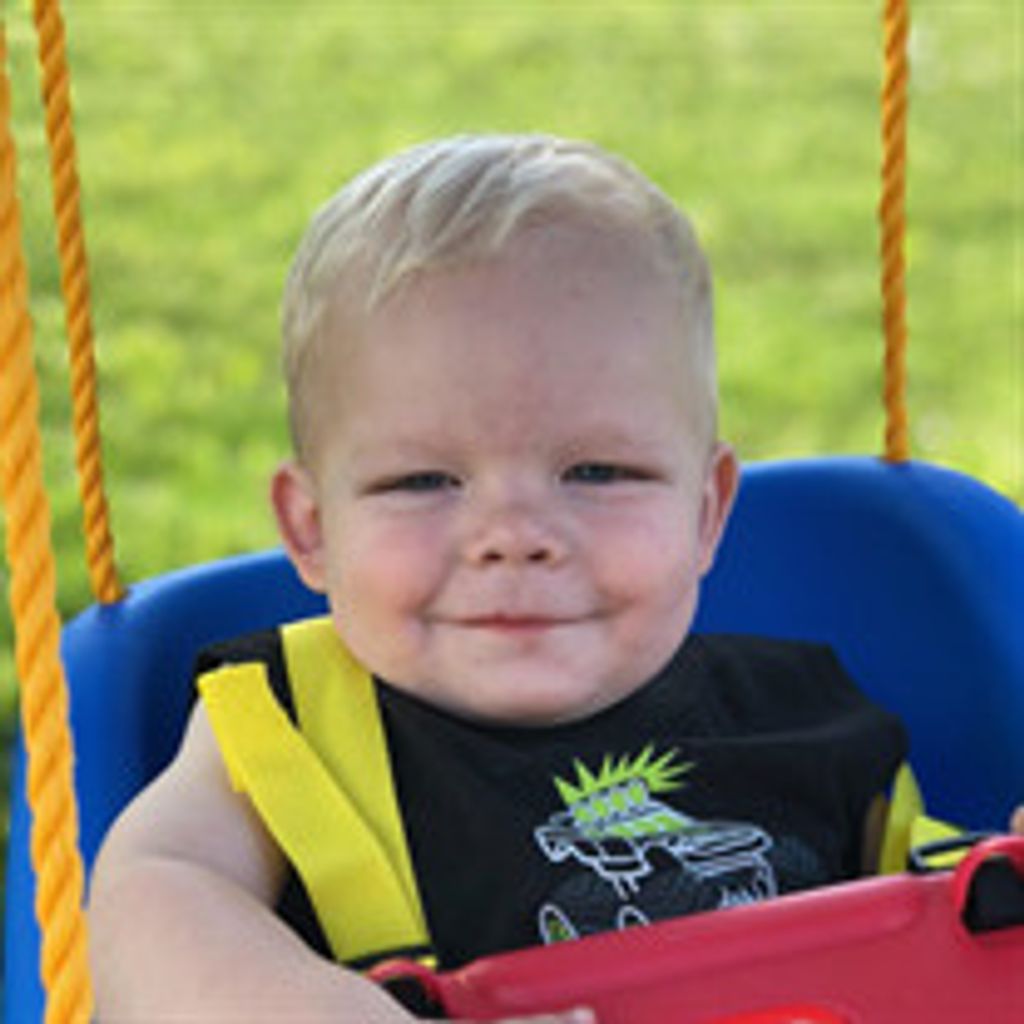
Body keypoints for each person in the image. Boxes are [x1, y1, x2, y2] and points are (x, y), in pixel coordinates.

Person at [87, 134, 1023, 1024]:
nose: (514, 537)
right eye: (424, 480)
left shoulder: (807, 714)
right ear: (311, 526)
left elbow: (959, 939)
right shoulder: (292, 730)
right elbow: (153, 895)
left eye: (596, 472)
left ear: (705, 511)